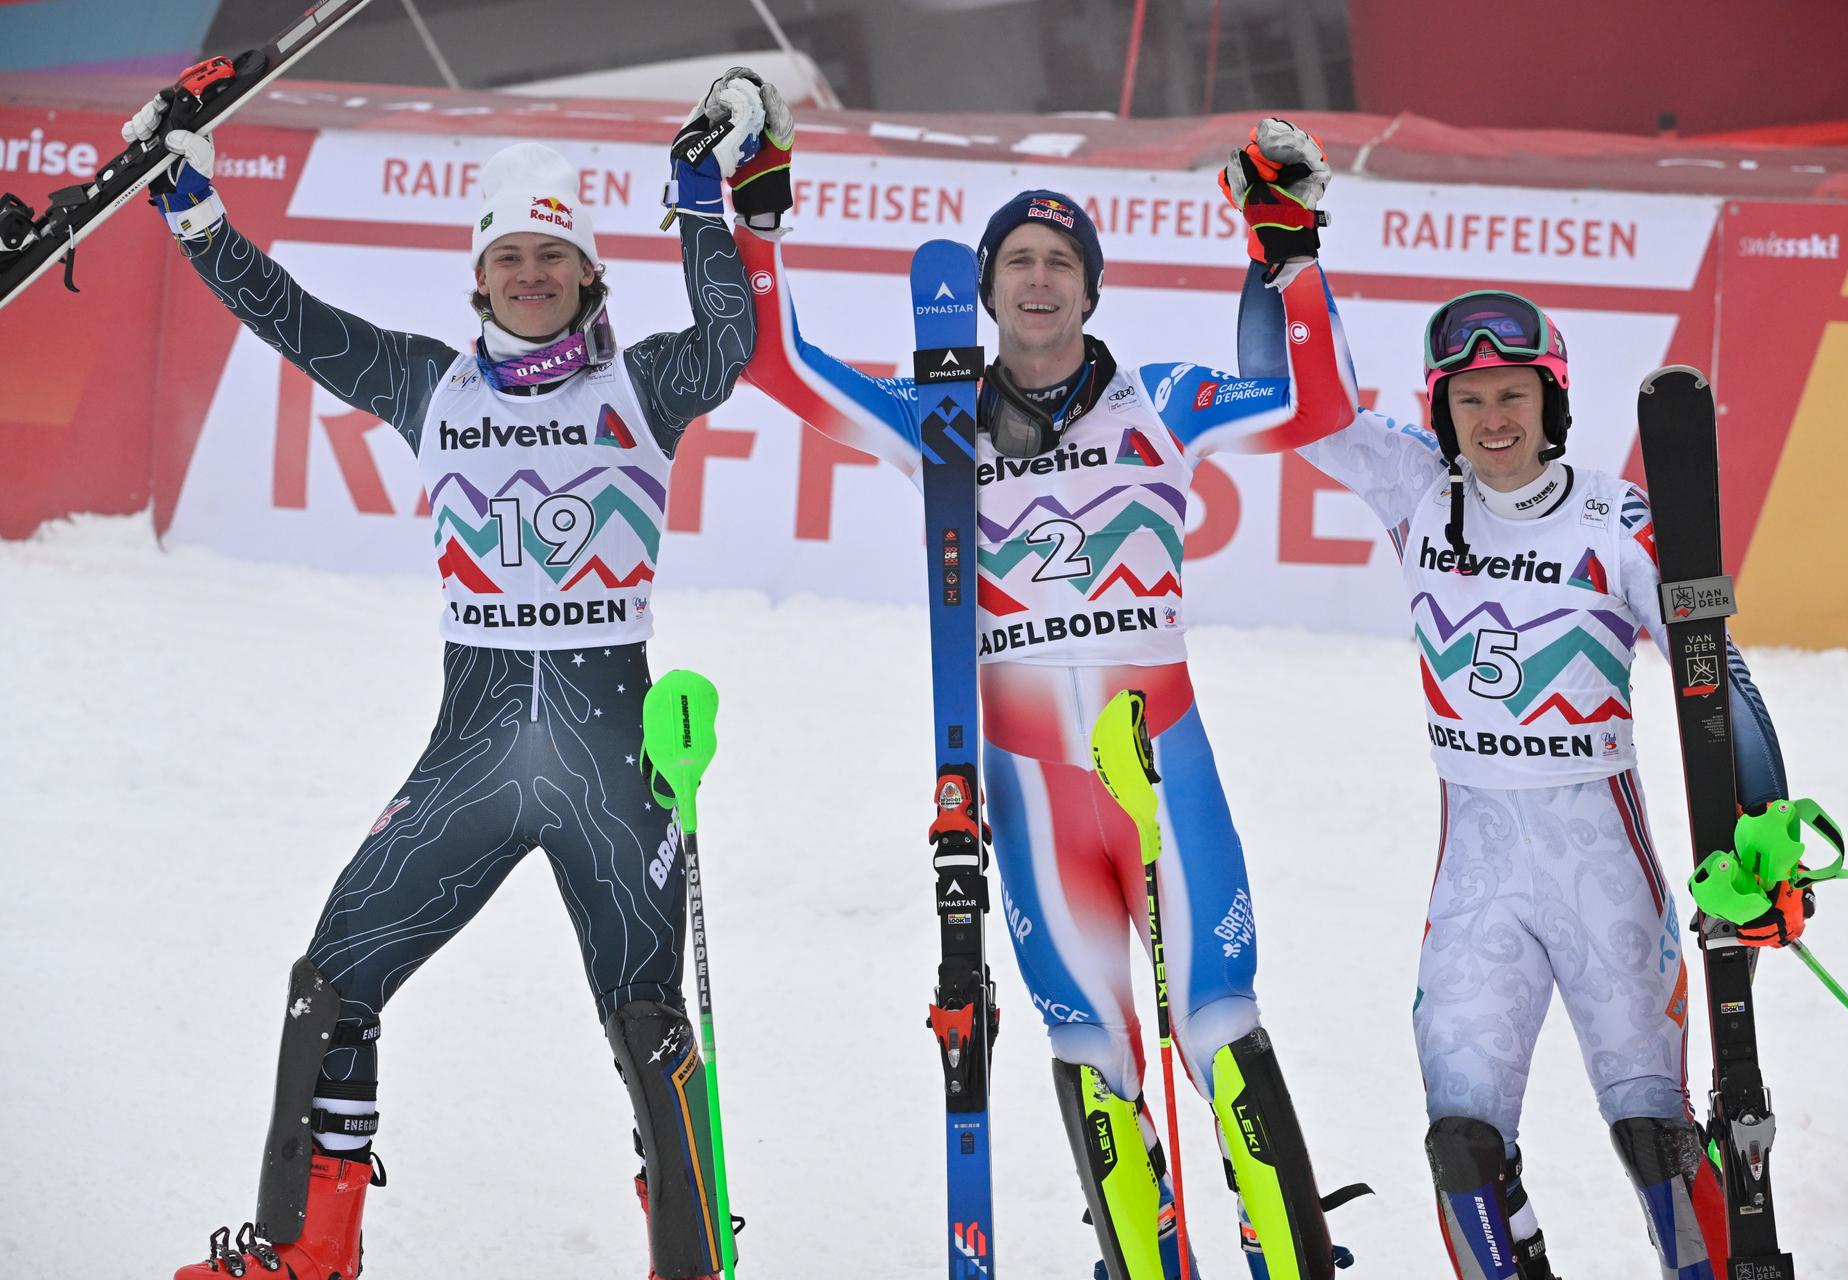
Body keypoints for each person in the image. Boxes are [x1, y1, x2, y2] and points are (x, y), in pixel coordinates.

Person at [724, 76, 1365, 1280]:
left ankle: (1295, 1258)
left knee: (1219, 1021)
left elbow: (1313, 399)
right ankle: (1142, 1255)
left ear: (1090, 285)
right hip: (1028, 793)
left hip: (1164, 767)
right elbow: (781, 369)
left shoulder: (1161, 401)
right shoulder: (936, 416)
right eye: (1016, 258)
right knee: (1092, 1044)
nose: (1037, 278)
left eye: (1059, 260)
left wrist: (1288, 255)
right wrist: (754, 220)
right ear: (986, 285)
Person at [125, 74, 765, 1280]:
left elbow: (730, 337)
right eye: (510, 255)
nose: (532, 273)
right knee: (333, 981)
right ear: (480, 276)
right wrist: (194, 210)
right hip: (470, 751)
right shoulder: (435, 384)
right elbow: (294, 318)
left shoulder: (643, 386)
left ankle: (693, 1262)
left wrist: (698, 197)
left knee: (647, 1027)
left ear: (587, 273)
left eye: (554, 255)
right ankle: (305, 1249)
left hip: (607, 757)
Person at [1224, 122, 1811, 1280]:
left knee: (1658, 1132)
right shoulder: (1418, 493)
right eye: (1472, 397)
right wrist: (1284, 256)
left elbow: (1717, 674)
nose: (1496, 419)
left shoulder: (1616, 517)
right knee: (1459, 1141)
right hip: (1478, 872)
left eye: (1517, 394)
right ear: (1443, 410)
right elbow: (1297, 407)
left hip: (1605, 864)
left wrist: (1765, 835)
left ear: (1554, 398)